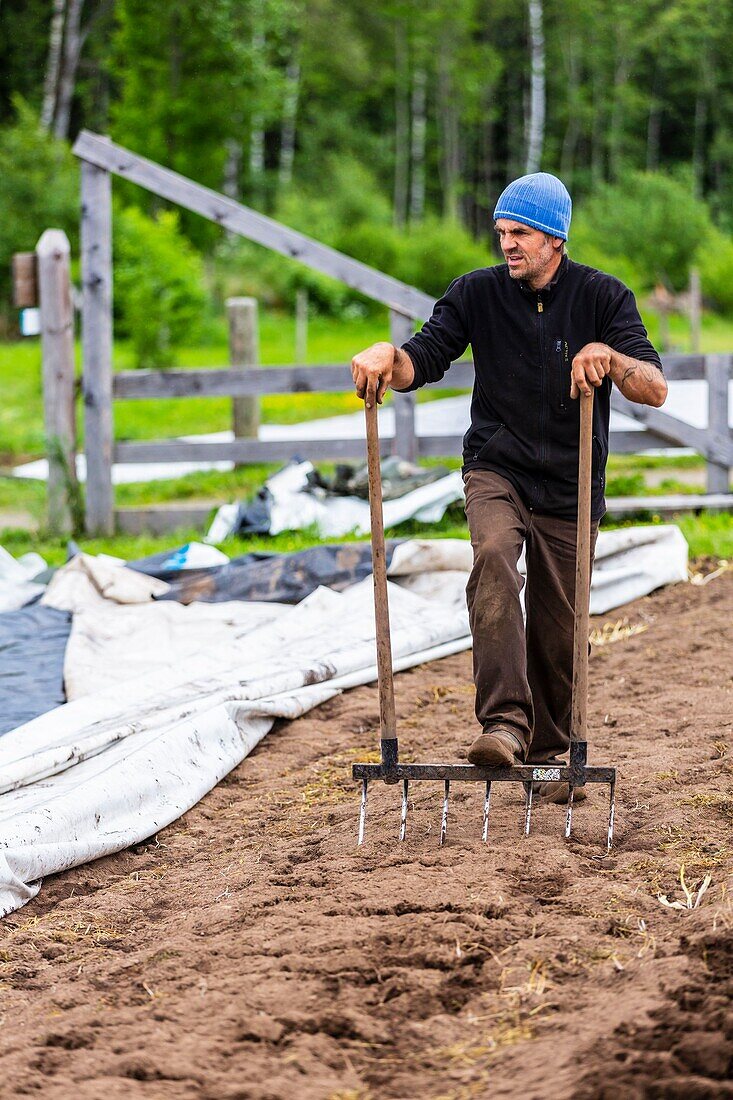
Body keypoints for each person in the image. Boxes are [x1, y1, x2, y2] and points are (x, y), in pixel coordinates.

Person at [351, 172, 667, 801]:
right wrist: (389, 355)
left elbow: (652, 387)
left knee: (559, 625)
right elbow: (425, 357)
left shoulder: (604, 297)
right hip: (497, 467)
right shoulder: (476, 294)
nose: (507, 244)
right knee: (493, 556)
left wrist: (609, 355)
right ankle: (504, 722)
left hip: (572, 481)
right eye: (500, 232)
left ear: (555, 238)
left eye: (519, 232)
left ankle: (551, 754)